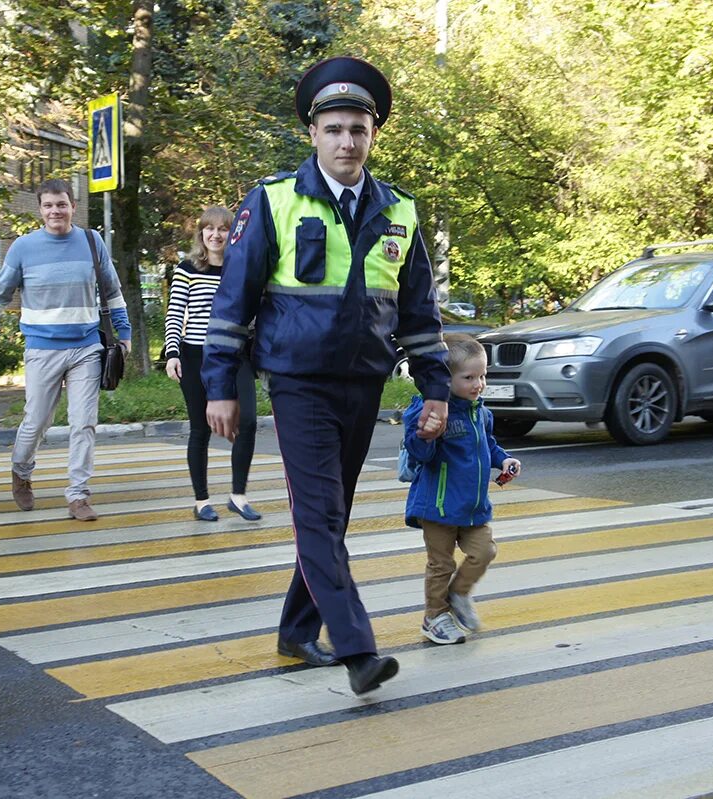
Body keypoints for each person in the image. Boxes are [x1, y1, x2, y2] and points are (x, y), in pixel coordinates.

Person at [203, 56, 451, 696]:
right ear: (313, 133)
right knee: (317, 514)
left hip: (364, 381)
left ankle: (295, 628)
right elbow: (233, 300)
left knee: (330, 517)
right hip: (297, 380)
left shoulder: (400, 211)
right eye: (334, 128)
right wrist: (221, 386)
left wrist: (436, 389)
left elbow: (419, 314)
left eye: (358, 130)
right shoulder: (273, 200)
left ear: (373, 136)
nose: (347, 141)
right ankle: (356, 647)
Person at [0, 178, 131, 522]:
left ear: (73, 207)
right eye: (48, 205)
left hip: (86, 348)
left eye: (61, 204)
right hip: (42, 349)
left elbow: (113, 292)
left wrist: (124, 333)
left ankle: (78, 495)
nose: (55, 211)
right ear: (40, 210)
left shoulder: (92, 242)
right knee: (36, 421)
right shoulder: (23, 247)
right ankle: (21, 470)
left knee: (84, 423)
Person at [402, 333, 521, 644]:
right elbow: (420, 454)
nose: (478, 384)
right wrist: (427, 434)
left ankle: (459, 594)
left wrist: (504, 459)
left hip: (472, 506)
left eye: (482, 375)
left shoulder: (479, 411)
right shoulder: (427, 410)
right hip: (438, 507)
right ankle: (434, 617)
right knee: (441, 564)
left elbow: (489, 445)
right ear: (444, 378)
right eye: (469, 377)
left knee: (485, 551)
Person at [164, 206, 261, 522]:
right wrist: (172, 353)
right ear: (201, 233)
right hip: (196, 355)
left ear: (232, 234)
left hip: (237, 354)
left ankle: (238, 495)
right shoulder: (187, 269)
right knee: (200, 428)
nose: (216, 235)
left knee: (246, 420)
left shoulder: (240, 268)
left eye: (223, 229)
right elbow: (176, 312)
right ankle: (201, 500)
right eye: (210, 229)